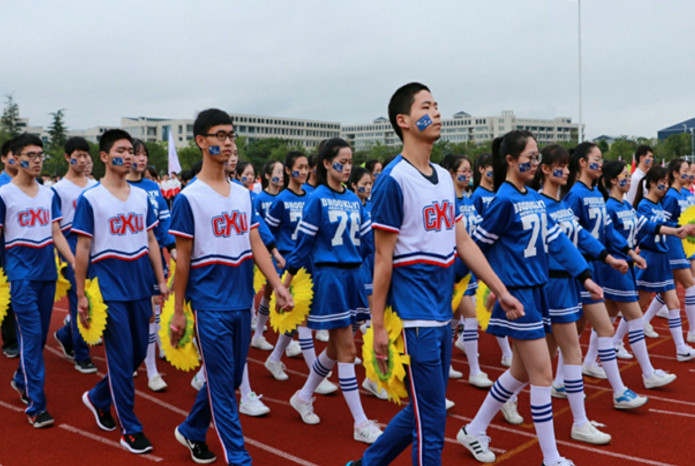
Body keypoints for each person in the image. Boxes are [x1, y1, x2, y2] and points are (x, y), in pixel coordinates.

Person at [349, 83, 522, 466]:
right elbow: (382, 258)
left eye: (437, 105)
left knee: (423, 408)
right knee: (432, 419)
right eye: (427, 106)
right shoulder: (393, 180)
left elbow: (464, 242)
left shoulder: (444, 177)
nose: (437, 112)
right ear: (404, 121)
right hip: (414, 316)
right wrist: (377, 326)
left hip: (443, 311)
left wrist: (500, 288)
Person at [169, 109, 292, 465]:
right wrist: (178, 310)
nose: (227, 141)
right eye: (219, 135)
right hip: (209, 304)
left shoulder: (242, 194)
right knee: (224, 388)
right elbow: (184, 259)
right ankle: (239, 458)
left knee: (229, 378)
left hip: (241, 300)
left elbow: (255, 242)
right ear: (201, 141)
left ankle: (192, 429)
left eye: (230, 135)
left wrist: (276, 285)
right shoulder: (188, 198)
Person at [73, 129, 168, 454]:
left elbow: (152, 241)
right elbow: (83, 247)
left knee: (139, 353)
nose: (128, 156)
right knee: (119, 357)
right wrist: (82, 294)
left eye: (131, 151)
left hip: (140, 285)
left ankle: (99, 397)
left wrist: (162, 282)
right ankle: (130, 428)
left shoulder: (143, 197)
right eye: (122, 150)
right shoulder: (92, 199)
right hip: (108, 289)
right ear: (104, 156)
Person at [282, 138, 382, 445]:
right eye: (343, 161)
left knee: (336, 349)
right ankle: (360, 422)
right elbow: (302, 249)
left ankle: (303, 395)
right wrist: (283, 286)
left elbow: (370, 243)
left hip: (352, 278)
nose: (348, 166)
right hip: (329, 278)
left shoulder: (354, 199)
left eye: (351, 161)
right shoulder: (317, 199)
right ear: (326, 164)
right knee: (348, 351)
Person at [532, 145, 627, 445]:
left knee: (537, 360)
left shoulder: (561, 206)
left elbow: (580, 238)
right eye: (559, 165)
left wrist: (608, 259)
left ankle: (488, 414)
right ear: (544, 169)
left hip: (570, 282)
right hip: (553, 285)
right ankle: (580, 421)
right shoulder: (538, 205)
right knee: (570, 350)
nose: (566, 171)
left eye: (567, 165)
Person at [563, 142, 649, 411]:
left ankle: (557, 381)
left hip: (597, 268)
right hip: (582, 270)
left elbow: (609, 232)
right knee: (604, 328)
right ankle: (619, 391)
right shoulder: (574, 196)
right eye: (596, 159)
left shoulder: (596, 195)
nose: (600, 163)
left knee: (572, 332)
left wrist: (627, 254)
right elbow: (574, 238)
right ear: (582, 163)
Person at [0, 134, 74, 428]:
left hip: (47, 274)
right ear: (15, 159)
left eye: (41, 154)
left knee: (39, 338)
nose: (38, 158)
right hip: (20, 277)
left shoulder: (48, 194)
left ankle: (21, 379)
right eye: (31, 154)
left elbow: (56, 234)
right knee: (30, 338)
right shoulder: (4, 195)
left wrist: (75, 264)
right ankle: (36, 406)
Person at [594, 160, 680, 389]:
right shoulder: (609, 207)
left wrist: (676, 231)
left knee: (608, 318)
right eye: (624, 175)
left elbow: (648, 226)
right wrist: (630, 253)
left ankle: (589, 361)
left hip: (627, 265)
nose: (629, 179)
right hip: (616, 268)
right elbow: (610, 237)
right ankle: (648, 373)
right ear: (613, 180)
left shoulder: (627, 207)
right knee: (633, 316)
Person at [262, 151, 339, 393]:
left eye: (307, 167)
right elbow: (267, 234)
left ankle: (274, 358)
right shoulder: (281, 200)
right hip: (288, 265)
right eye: (300, 167)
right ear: (288, 171)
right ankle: (315, 375)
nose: (304, 172)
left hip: (308, 265)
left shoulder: (312, 197)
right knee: (302, 318)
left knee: (296, 319)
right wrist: (277, 258)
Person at [126, 138, 177, 392]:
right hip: (127, 260)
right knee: (133, 312)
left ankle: (152, 369)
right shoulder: (120, 187)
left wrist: (173, 249)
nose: (141, 159)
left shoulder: (153, 188)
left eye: (144, 154)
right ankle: (135, 355)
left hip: (153, 256)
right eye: (136, 154)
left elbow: (163, 226)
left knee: (153, 306)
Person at [633, 166, 695, 361]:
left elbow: (668, 223)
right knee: (636, 306)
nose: (665, 186)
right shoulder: (646, 204)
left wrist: (682, 228)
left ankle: (681, 348)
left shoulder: (660, 203)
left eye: (667, 183)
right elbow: (653, 227)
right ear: (652, 182)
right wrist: (677, 230)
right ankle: (616, 341)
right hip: (653, 256)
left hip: (664, 254)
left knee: (672, 300)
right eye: (663, 182)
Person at [51, 137, 98, 374]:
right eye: (77, 155)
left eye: (86, 155)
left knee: (97, 298)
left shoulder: (96, 185)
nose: (82, 160)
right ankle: (82, 354)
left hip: (95, 244)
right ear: (67, 158)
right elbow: (56, 229)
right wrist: (69, 258)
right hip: (71, 243)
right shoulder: (57, 190)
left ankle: (65, 334)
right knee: (78, 301)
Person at [470, 152, 513, 367]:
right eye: (490, 168)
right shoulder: (477, 196)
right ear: (481, 170)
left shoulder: (496, 194)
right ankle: (506, 352)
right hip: (485, 257)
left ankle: (464, 338)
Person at [0, 138, 19, 359]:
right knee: (7, 293)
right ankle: (11, 340)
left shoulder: (34, 185)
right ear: (4, 158)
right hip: (4, 248)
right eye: (13, 155)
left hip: (26, 250)